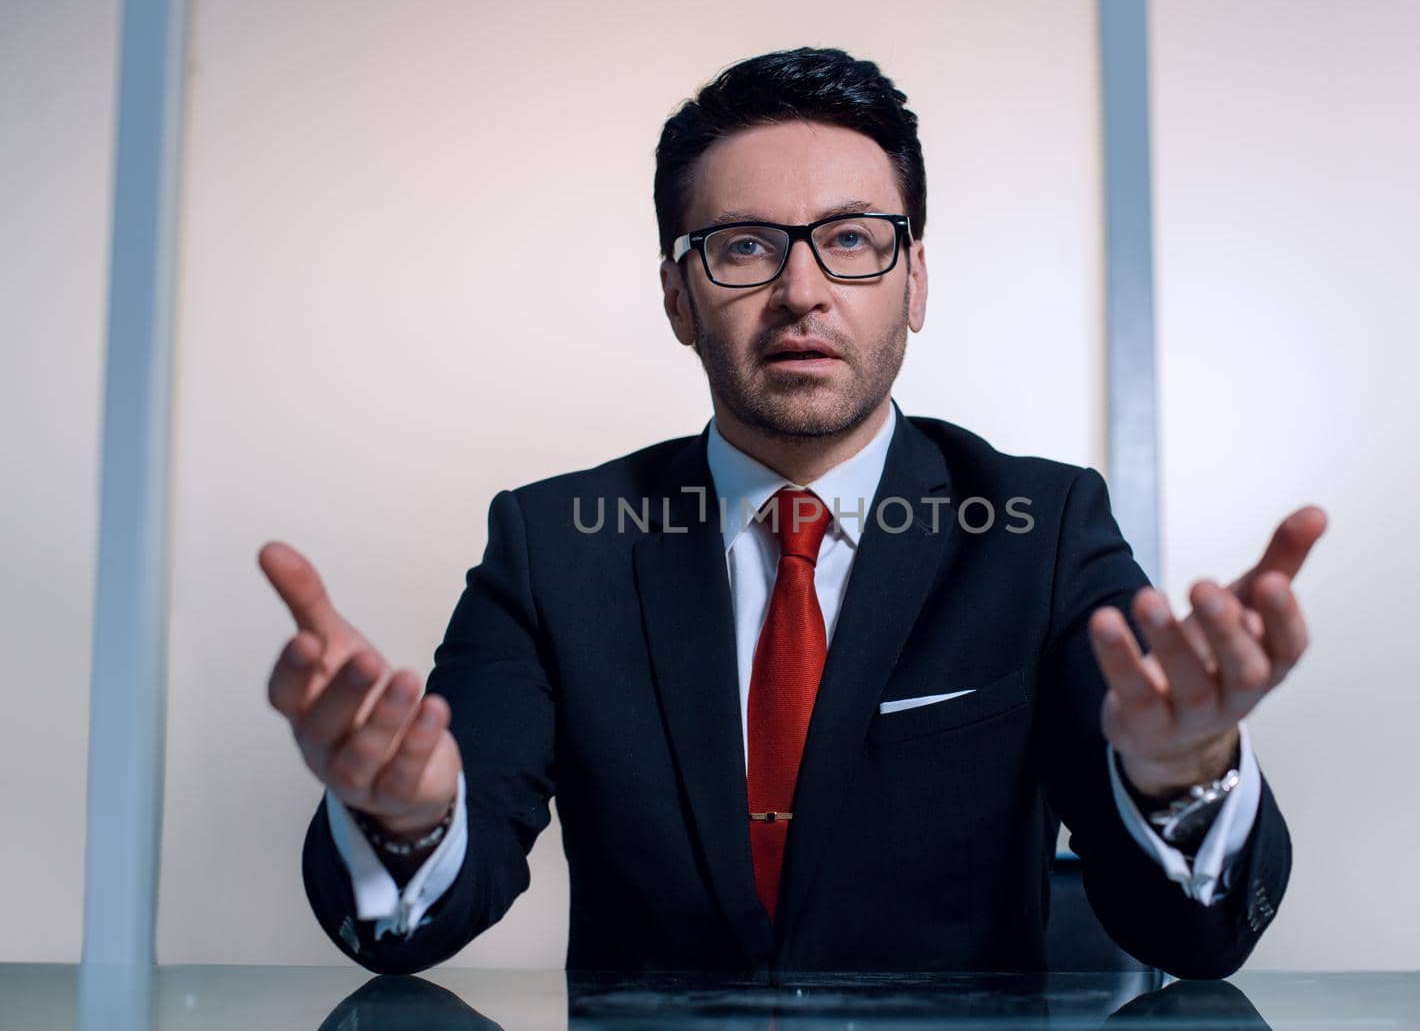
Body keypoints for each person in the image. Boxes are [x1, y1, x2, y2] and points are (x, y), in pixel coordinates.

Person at [260, 48, 1325, 978]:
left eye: (853, 240)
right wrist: (401, 817)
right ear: (678, 296)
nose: (802, 290)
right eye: (743, 245)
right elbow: (413, 921)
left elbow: (1194, 941)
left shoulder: (1038, 530)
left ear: (913, 279)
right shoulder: (554, 545)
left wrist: (1183, 771)